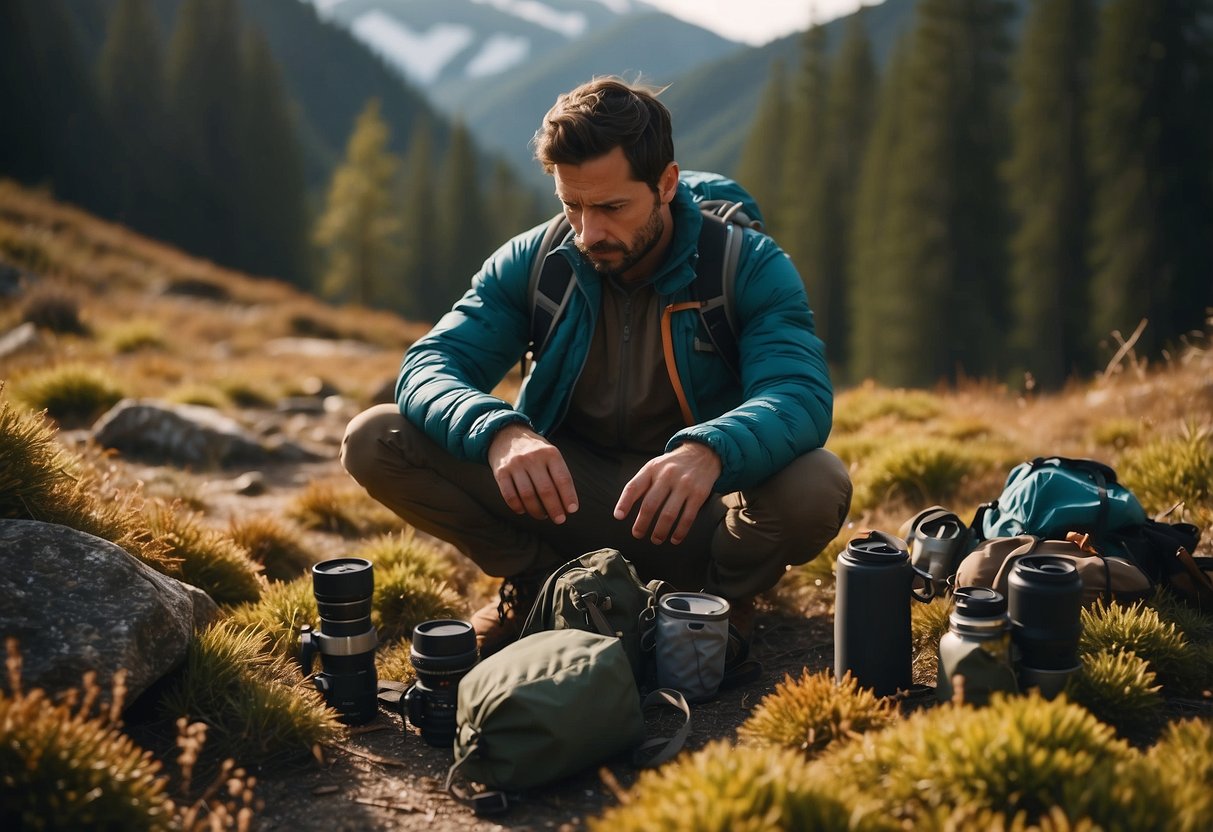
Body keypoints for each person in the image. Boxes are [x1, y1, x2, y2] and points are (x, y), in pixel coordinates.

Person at [341, 77, 852, 660]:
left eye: (612, 207)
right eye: (572, 205)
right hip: (565, 499)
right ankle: (538, 586)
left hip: (695, 516)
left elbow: (799, 392)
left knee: (817, 483)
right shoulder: (536, 261)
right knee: (375, 438)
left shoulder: (745, 265)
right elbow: (430, 364)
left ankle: (714, 603)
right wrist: (499, 431)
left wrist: (710, 450)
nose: (590, 232)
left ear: (666, 184)